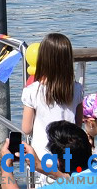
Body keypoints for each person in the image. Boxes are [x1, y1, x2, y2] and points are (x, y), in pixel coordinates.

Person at [22, 33, 83, 165]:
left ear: (42, 59)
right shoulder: (77, 89)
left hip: (42, 155)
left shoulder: (32, 91)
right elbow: (78, 123)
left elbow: (26, 128)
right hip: (70, 153)